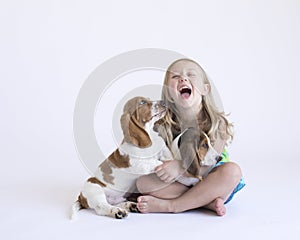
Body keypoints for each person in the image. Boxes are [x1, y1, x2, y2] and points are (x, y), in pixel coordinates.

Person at [135, 58, 245, 216]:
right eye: (175, 77)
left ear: (205, 89)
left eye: (191, 74)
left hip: (211, 178)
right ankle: (205, 202)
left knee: (232, 171)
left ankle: (173, 206)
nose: (183, 78)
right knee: (143, 183)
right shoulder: (162, 125)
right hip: (182, 184)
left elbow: (207, 164)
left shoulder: (217, 123)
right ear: (168, 93)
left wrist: (180, 167)